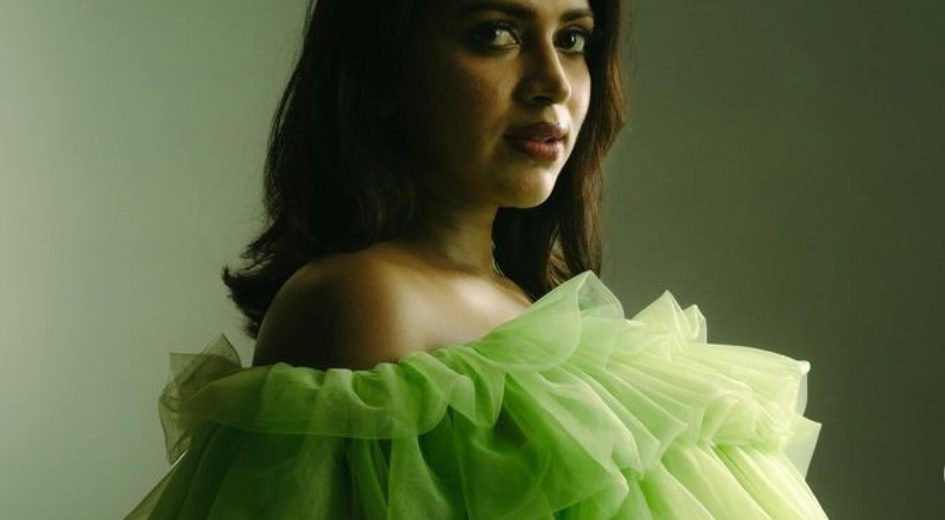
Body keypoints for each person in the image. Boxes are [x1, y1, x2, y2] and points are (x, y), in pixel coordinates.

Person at [124, 0, 829, 518]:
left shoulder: (538, 304)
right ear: (383, 67)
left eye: (573, 39)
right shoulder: (362, 302)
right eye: (495, 34)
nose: (553, 82)